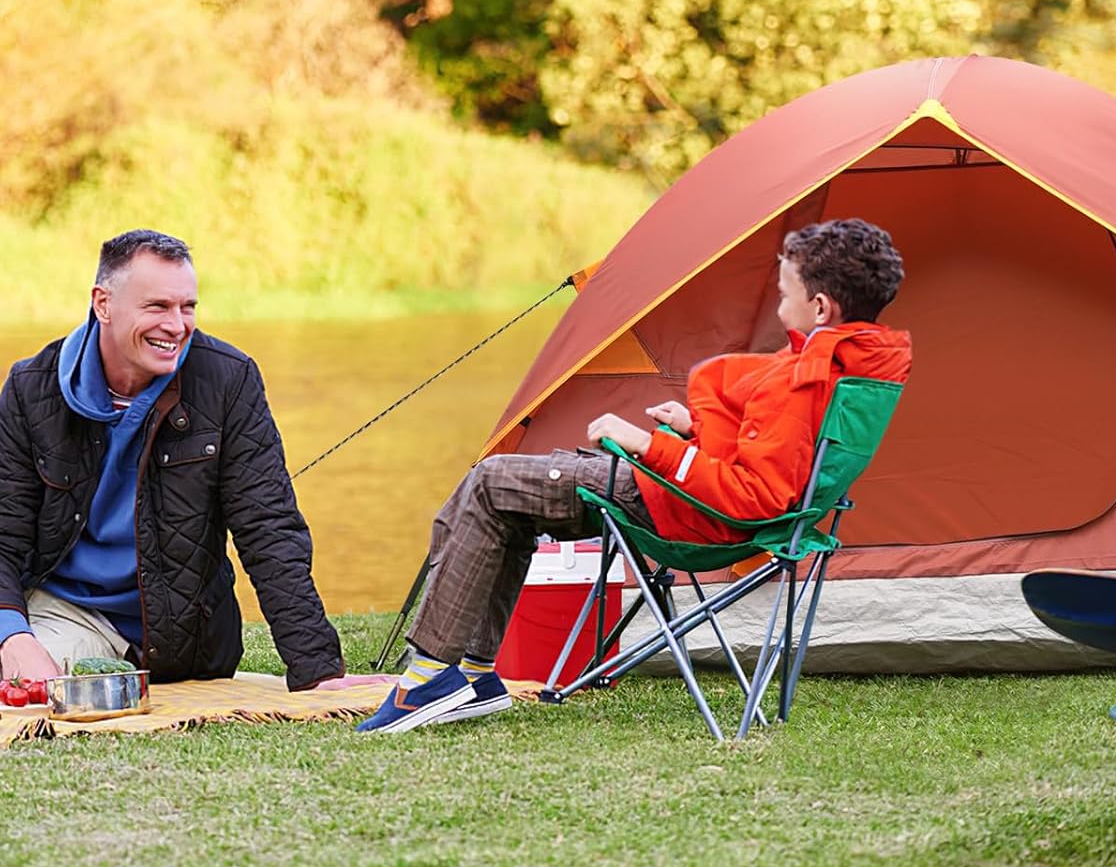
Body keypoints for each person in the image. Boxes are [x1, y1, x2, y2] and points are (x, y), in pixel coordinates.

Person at [358, 217, 912, 734]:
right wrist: (696, 427)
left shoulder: (804, 380)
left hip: (683, 514)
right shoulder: (854, 368)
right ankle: (475, 676)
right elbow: (779, 458)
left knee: (489, 482)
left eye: (786, 291)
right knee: (508, 496)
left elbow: (753, 495)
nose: (778, 300)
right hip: (695, 506)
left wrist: (649, 447)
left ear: (819, 307)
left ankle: (427, 679)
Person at [0, 229, 378, 693]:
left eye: (188, 307)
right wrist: (12, 633)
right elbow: (5, 534)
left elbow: (269, 528)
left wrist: (317, 669)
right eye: (157, 307)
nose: (177, 325)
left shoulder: (228, 379)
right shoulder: (31, 387)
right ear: (103, 304)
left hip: (180, 632)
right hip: (60, 606)